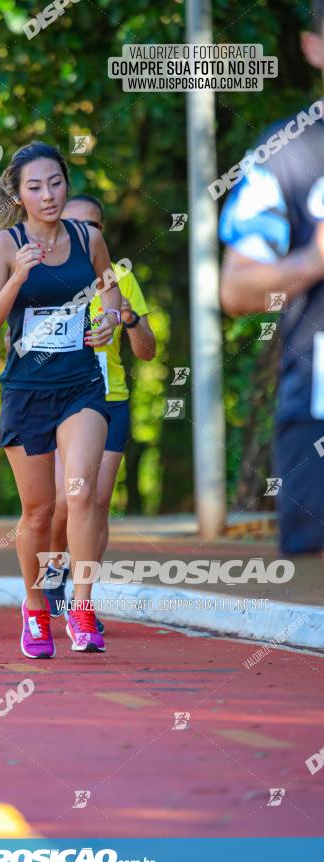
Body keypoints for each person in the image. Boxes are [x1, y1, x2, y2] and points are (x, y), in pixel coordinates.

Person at [0, 141, 121, 658]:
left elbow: (109, 288)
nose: (48, 194)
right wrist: (17, 276)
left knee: (78, 495)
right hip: (27, 393)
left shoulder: (88, 236)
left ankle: (80, 609)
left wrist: (107, 319)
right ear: (18, 194)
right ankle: (35, 612)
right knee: (38, 513)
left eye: (55, 182)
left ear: (66, 184)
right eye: (35, 186)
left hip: (81, 385)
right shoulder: (2, 245)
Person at [219, 1, 324, 556]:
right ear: (314, 48)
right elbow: (236, 290)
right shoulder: (288, 151)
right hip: (317, 401)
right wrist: (313, 258)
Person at [43, 195, 156, 624]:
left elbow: (146, 352)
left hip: (109, 398)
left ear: (102, 231)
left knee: (96, 500)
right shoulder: (44, 270)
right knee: (62, 500)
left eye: (93, 226)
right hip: (56, 396)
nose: (83, 233)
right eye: (74, 224)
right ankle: (53, 565)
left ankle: (81, 595)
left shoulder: (120, 277)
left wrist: (129, 321)